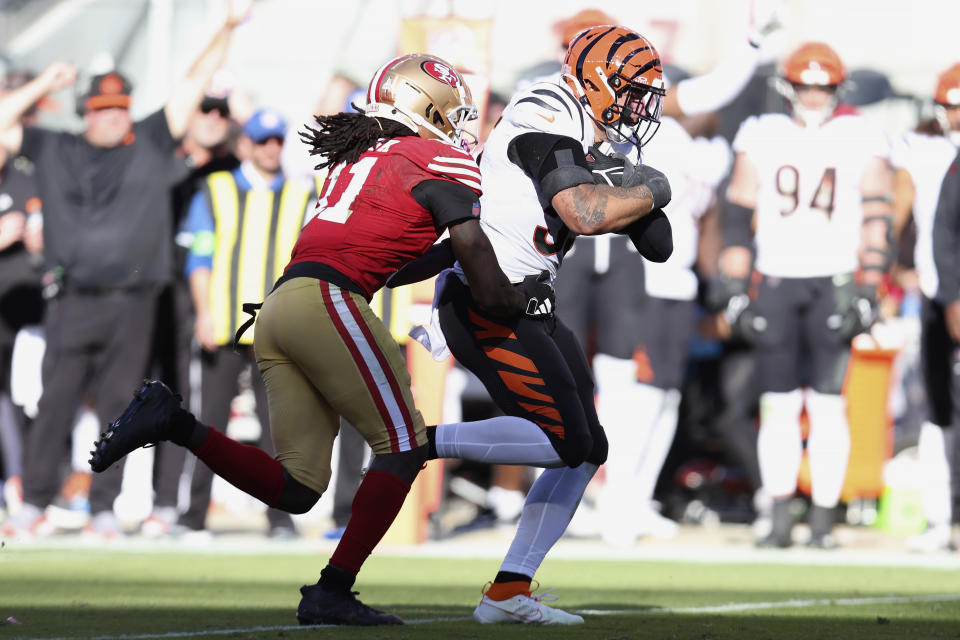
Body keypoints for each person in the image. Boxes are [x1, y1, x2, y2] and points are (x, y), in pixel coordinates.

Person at [89, 53, 555, 626]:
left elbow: (395, 261)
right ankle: (332, 591)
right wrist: (511, 298)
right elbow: (472, 247)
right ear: (424, 106)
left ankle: (172, 421)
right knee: (404, 445)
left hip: (283, 305)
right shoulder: (437, 156)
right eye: (452, 112)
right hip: (331, 303)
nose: (459, 126)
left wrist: (458, 262)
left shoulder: (356, 157)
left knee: (297, 487)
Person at [390, 25, 672, 624]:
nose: (638, 108)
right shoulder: (546, 109)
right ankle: (420, 442)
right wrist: (649, 188)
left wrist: (637, 190)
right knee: (565, 440)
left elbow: (658, 244)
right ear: (595, 81)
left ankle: (508, 591)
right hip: (485, 297)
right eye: (632, 92)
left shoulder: (583, 128)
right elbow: (584, 212)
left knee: (587, 447)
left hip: (530, 301)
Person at [0, 5, 246, 539]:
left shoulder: (152, 140)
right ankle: (34, 501)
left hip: (136, 300)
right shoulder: (54, 144)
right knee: (55, 403)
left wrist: (225, 27)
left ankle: (104, 507)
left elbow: (192, 83)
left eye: (121, 107)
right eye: (104, 108)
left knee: (119, 411)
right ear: (85, 111)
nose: (114, 116)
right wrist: (44, 80)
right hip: (72, 297)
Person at [714, 42, 893, 548]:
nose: (814, 96)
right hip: (775, 277)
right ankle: (777, 512)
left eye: (823, 86)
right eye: (806, 85)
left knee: (830, 404)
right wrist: (733, 285)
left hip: (834, 279)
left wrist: (868, 286)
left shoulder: (860, 135)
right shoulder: (762, 133)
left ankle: (821, 518)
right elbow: (737, 213)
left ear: (837, 88)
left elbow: (878, 214)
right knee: (777, 403)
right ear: (789, 86)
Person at [173, 107, 309, 539]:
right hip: (227, 322)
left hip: (279, 327)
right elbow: (200, 258)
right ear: (245, 144)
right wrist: (206, 313)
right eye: (263, 140)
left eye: (277, 141)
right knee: (209, 421)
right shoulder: (216, 190)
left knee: (281, 428)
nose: (272, 148)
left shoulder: (301, 194)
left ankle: (281, 517)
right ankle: (193, 514)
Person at [145, 86, 242, 537]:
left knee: (185, 399)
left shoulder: (235, 169)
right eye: (204, 108)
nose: (212, 118)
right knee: (144, 393)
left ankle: (171, 502)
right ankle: (135, 497)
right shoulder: (160, 159)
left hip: (205, 298)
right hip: (154, 293)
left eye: (220, 112)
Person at [894, 64, 960, 551]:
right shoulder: (925, 150)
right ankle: (941, 518)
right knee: (939, 409)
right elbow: (936, 234)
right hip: (941, 296)